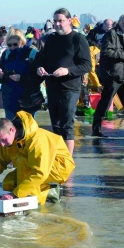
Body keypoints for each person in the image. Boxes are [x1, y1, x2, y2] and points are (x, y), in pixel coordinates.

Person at [0, 112, 76, 204]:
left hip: (60, 166)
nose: (2, 145)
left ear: (12, 130)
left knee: (23, 165)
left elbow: (39, 172)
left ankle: (35, 205)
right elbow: (0, 160)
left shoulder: (36, 139)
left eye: (3, 140)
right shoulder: (8, 140)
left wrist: (15, 195)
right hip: (34, 166)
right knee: (8, 183)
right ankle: (50, 192)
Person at [35, 8, 93, 155]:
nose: (57, 24)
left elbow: (87, 65)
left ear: (69, 21)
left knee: (67, 124)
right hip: (52, 85)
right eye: (55, 21)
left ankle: (68, 161)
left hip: (70, 87)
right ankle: (58, 157)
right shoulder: (51, 38)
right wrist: (40, 68)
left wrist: (67, 71)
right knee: (55, 125)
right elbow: (43, 59)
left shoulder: (78, 39)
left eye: (60, 21)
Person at [91, 15, 124, 138]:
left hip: (123, 75)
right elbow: (106, 51)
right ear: (119, 22)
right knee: (105, 102)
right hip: (113, 75)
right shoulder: (112, 34)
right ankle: (96, 129)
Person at [0, 29, 43, 117]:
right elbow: (1, 79)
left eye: (15, 44)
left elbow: (39, 78)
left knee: (28, 129)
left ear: (22, 42)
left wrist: (21, 78)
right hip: (10, 99)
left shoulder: (32, 53)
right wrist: (0, 76)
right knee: (11, 128)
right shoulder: (6, 54)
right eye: (9, 45)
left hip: (29, 100)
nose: (12, 47)